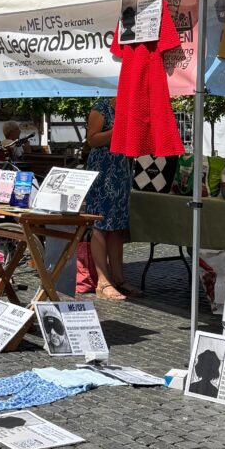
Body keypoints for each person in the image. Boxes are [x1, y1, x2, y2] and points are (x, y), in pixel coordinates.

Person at [85, 98, 136, 301]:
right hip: (103, 170)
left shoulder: (128, 106)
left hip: (122, 170)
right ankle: (103, 281)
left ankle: (118, 278)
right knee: (100, 224)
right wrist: (118, 131)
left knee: (117, 226)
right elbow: (92, 139)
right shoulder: (101, 106)